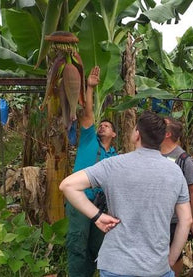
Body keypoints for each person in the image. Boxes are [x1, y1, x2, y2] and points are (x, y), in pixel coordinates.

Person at [59, 111, 193, 277]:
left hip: (116, 265)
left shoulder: (113, 164)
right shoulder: (175, 171)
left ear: (137, 134)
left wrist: (97, 216)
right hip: (157, 267)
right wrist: (171, 260)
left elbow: (68, 186)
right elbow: (186, 220)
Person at [65, 66, 118, 277]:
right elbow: (87, 114)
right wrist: (89, 87)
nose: (103, 127)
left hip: (101, 207)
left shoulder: (115, 157)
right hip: (80, 202)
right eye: (101, 124)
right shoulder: (88, 140)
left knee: (98, 247)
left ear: (114, 134)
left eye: (107, 126)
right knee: (77, 245)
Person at [161, 116, 193, 276]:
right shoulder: (153, 154)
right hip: (157, 217)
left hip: (175, 220)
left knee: (174, 256)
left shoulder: (184, 159)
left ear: (167, 134)